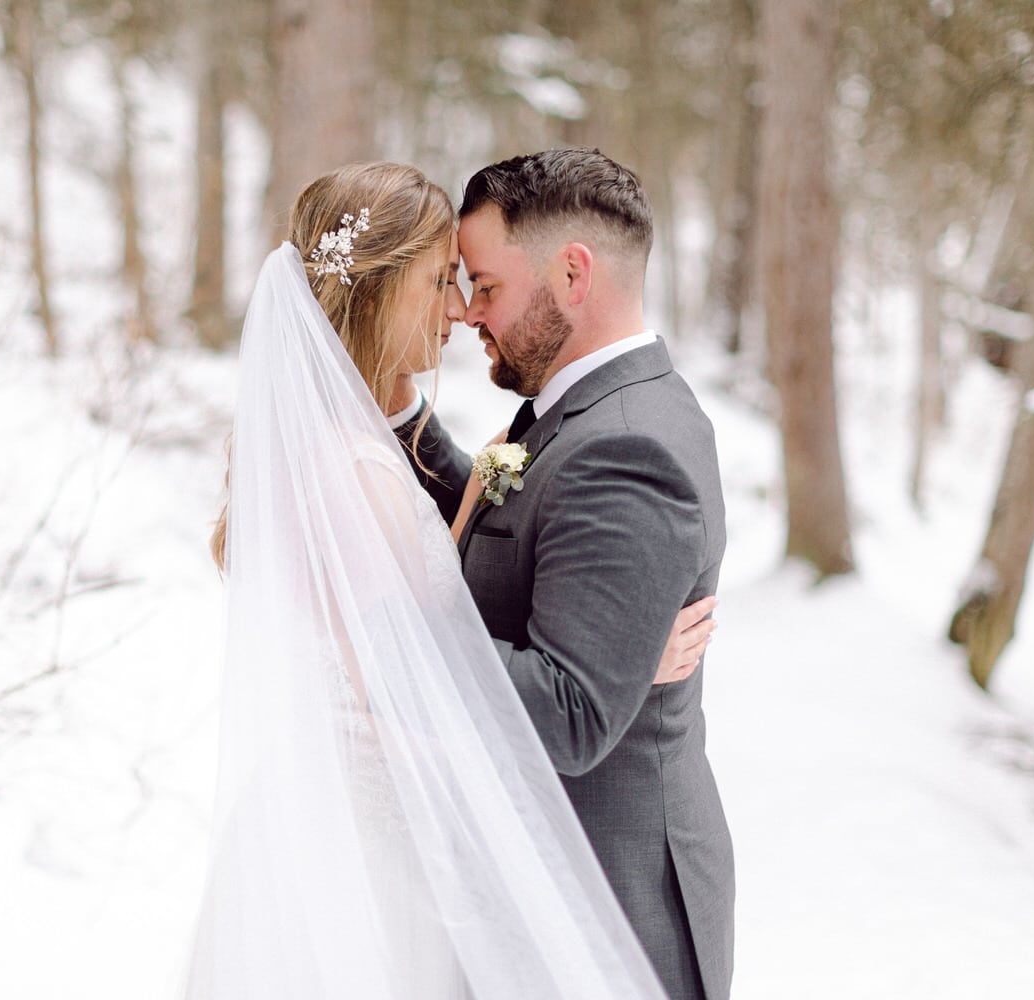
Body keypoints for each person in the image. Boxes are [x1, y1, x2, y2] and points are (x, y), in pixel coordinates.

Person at [190, 161, 714, 999]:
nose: (463, 309)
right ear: (378, 294)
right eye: (440, 283)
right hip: (374, 845)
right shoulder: (353, 473)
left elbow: (455, 543)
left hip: (390, 833)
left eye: (471, 283)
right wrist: (630, 666)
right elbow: (403, 683)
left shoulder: (373, 439)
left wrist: (609, 654)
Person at [401, 148, 734, 1000]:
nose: (469, 313)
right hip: (547, 887)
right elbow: (499, 508)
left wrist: (391, 616)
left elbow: (574, 713)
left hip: (605, 910)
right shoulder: (584, 404)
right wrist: (393, 400)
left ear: (573, 274)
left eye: (486, 287)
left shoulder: (628, 447)